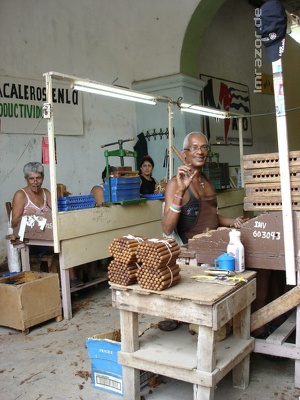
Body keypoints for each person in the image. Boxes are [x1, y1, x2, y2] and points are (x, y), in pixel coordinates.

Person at [162, 132, 245, 244]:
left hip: (212, 245)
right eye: (194, 148)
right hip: (191, 251)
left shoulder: (207, 180)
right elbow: (167, 229)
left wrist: (233, 221)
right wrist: (180, 192)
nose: (200, 152)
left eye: (204, 147)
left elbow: (209, 215)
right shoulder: (175, 184)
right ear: (184, 153)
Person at [11, 162, 83, 288]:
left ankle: (70, 281)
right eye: (31, 179)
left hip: (47, 237)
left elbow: (56, 211)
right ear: (26, 179)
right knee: (62, 245)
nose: (35, 182)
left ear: (43, 178)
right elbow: (14, 222)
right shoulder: (21, 195)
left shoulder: (45, 193)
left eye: (38, 178)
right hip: (31, 242)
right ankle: (69, 280)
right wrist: (25, 215)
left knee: (68, 242)